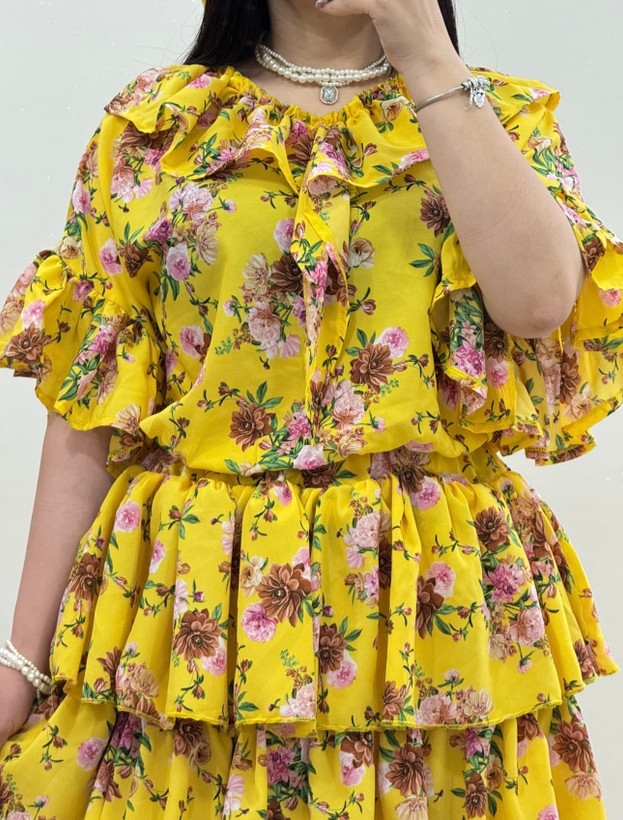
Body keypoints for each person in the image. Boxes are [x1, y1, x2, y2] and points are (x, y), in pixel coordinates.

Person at [0, 0, 621, 816]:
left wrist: (425, 52)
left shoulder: (493, 116)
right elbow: (89, 406)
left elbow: (538, 303)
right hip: (196, 613)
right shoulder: (158, 129)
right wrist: (21, 661)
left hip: (429, 616)